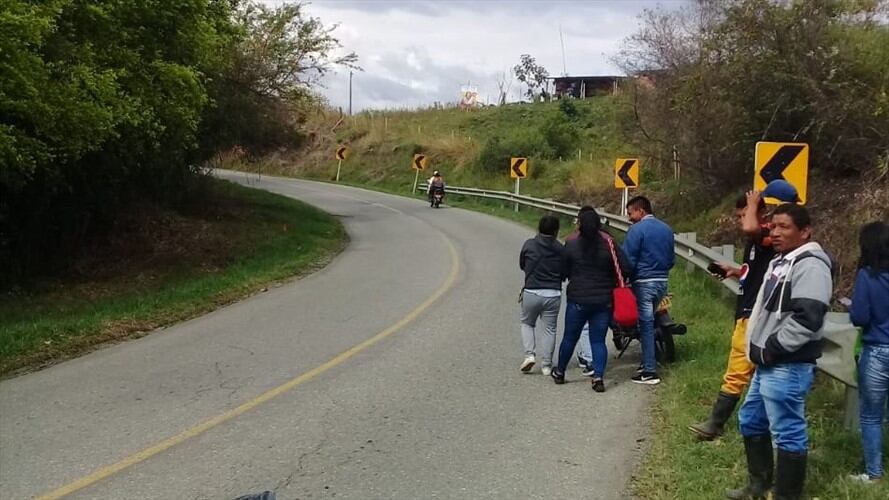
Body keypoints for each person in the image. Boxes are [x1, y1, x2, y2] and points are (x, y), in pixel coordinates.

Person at [727, 203, 832, 500]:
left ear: (805, 231)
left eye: (784, 227)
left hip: (787, 363)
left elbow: (808, 317)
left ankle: (787, 495)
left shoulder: (810, 263)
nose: (775, 232)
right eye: (773, 226)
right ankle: (758, 486)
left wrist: (773, 348)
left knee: (787, 431)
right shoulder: (781, 261)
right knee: (751, 419)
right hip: (768, 362)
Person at [690, 186, 797, 440]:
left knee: (738, 370)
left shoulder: (767, 236)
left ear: (764, 214)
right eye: (740, 216)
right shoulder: (757, 243)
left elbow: (751, 228)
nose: (741, 221)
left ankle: (716, 423)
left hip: (754, 315)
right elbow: (759, 271)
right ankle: (730, 422)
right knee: (747, 372)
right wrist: (735, 271)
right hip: (747, 311)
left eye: (743, 215)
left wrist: (753, 203)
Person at [552, 209, 630, 392]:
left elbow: (562, 271)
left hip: (578, 299)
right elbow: (626, 267)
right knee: (598, 340)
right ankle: (598, 377)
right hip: (604, 300)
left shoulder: (571, 243)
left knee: (570, 337)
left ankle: (560, 371)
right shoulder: (609, 243)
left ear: (579, 223)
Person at [849, 221, 889, 484]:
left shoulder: (867, 275)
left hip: (877, 351)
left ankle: (874, 472)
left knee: (872, 415)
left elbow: (860, 317)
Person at [622, 195, 675, 385]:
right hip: (662, 281)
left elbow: (628, 259)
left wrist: (624, 279)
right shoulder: (666, 229)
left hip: (643, 282)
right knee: (650, 322)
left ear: (640, 211)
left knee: (645, 324)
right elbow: (672, 259)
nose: (629, 218)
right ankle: (647, 362)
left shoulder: (636, 230)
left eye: (630, 213)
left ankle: (650, 371)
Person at [518, 215, 566, 376]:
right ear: (556, 230)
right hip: (553, 293)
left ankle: (529, 355)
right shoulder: (561, 248)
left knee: (527, 323)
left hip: (532, 291)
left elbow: (522, 264)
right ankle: (546, 365)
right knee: (549, 329)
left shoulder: (529, 244)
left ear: (538, 228)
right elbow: (565, 272)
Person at [566, 206, 597, 377]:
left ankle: (588, 359)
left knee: (582, 328)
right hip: (603, 293)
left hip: (579, 292)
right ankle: (595, 365)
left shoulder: (572, 241)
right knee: (598, 333)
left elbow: (565, 267)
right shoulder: (607, 240)